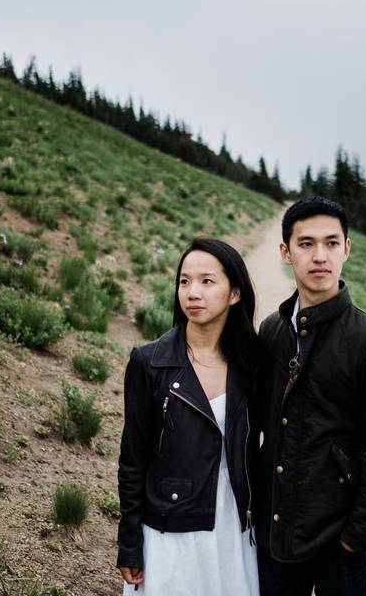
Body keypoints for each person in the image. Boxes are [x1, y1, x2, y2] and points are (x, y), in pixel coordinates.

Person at [255, 196, 366, 596]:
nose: (319, 256)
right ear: (286, 253)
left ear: (347, 249)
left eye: (331, 242)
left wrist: (356, 537)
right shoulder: (273, 330)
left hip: (340, 542)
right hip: (276, 531)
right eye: (306, 244)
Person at [117, 237, 260, 595]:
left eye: (207, 281)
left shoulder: (251, 363)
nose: (192, 292)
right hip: (170, 525)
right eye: (184, 281)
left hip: (233, 523)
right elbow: (133, 460)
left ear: (235, 293)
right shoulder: (149, 362)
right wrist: (130, 541)